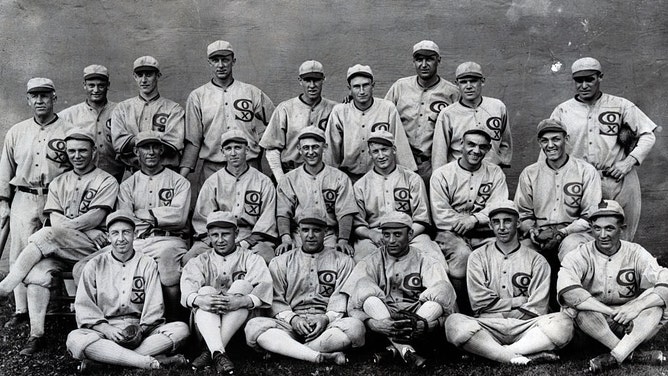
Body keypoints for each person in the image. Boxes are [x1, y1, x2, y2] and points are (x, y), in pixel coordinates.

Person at [0, 128, 118, 355]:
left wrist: (89, 230)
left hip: (92, 250)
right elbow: (54, 218)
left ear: (94, 152)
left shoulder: (106, 180)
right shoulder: (58, 182)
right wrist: (87, 230)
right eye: (72, 151)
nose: (77, 156)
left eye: (83, 151)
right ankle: (37, 335)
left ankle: (6, 286)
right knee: (36, 275)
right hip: (64, 247)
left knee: (46, 234)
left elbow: (95, 217)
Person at [445, 200, 574, 365]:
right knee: (453, 322)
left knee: (564, 322)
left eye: (507, 220)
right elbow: (480, 303)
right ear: (490, 225)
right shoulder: (477, 257)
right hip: (488, 326)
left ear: (518, 223)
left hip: (526, 327)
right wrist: (516, 303)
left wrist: (499, 309)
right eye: (496, 222)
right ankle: (522, 357)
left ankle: (493, 354)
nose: (501, 227)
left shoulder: (537, 260)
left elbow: (536, 307)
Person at [66, 211, 189, 371]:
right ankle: (146, 362)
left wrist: (140, 331)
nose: (121, 238)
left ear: (135, 235)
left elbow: (154, 307)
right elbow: (85, 308)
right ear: (109, 237)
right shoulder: (94, 264)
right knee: (74, 339)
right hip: (106, 329)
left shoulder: (147, 263)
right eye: (115, 233)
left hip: (139, 328)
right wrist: (106, 329)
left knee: (181, 329)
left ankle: (106, 362)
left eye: (126, 232)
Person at [550, 57, 657, 241]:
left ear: (600, 77)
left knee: (623, 235)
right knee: (580, 237)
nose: (583, 85)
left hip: (618, 178)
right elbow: (549, 146)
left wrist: (629, 161)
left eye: (589, 79)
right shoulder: (563, 111)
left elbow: (648, 135)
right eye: (578, 80)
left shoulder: (621, 105)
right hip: (580, 182)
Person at [557, 200, 668, 373]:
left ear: (622, 229)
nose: (602, 235)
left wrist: (637, 306)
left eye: (609, 228)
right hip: (592, 324)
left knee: (656, 304)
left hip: (629, 324)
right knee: (581, 308)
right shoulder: (579, 254)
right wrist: (610, 312)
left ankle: (615, 356)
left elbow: (665, 278)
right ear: (591, 229)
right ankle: (628, 353)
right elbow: (569, 293)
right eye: (597, 228)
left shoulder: (635, 251)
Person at [245, 209, 364, 366]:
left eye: (316, 230)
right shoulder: (280, 261)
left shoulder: (343, 261)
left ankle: (290, 351)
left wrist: (325, 318)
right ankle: (319, 355)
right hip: (289, 326)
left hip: (327, 325)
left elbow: (341, 298)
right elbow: (276, 299)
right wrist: (293, 319)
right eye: (305, 230)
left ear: (325, 231)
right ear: (298, 232)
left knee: (356, 327)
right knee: (253, 327)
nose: (310, 235)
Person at [0, 77, 73, 328]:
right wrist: (3, 202)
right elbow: (5, 170)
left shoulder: (68, 129)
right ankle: (21, 311)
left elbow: (78, 166)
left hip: (58, 197)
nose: (40, 100)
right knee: (19, 251)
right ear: (28, 99)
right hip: (24, 194)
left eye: (45, 95)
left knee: (61, 245)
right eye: (35, 96)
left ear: (55, 97)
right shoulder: (17, 131)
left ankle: (70, 302)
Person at [343, 211, 456, 368]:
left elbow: (449, 308)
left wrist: (430, 325)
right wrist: (372, 324)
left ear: (410, 234)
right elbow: (352, 308)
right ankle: (408, 351)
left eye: (397, 234)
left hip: (418, 319)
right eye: (386, 235)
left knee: (443, 289)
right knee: (365, 290)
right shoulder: (371, 260)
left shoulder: (426, 260)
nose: (391, 240)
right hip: (384, 319)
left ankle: (394, 350)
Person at [181, 211, 273, 374]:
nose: (220, 240)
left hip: (240, 325)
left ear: (236, 234)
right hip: (206, 324)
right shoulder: (200, 260)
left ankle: (209, 351)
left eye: (225, 234)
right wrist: (201, 300)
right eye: (215, 235)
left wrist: (241, 301)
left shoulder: (251, 258)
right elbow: (187, 292)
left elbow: (263, 289)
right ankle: (218, 352)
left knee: (242, 286)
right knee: (205, 291)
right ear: (208, 235)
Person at [430, 129, 509, 310]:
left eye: (482, 147)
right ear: (461, 146)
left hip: (484, 232)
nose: (476, 150)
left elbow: (499, 206)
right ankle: (463, 309)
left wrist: (474, 219)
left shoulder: (495, 172)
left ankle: (494, 309)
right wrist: (469, 221)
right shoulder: (443, 174)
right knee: (463, 255)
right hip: (449, 233)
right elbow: (440, 215)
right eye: (471, 144)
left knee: (500, 256)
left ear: (488, 149)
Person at [116, 130, 190, 321]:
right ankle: (129, 321)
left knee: (168, 271)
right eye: (144, 147)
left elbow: (179, 217)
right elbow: (126, 219)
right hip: (139, 240)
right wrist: (162, 213)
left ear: (161, 150)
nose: (150, 152)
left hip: (170, 239)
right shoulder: (127, 185)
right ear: (136, 152)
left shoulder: (179, 182)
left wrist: (144, 214)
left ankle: (176, 324)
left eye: (154, 147)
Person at [180, 40, 274, 182]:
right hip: (213, 169)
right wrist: (181, 177)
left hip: (249, 166)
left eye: (225, 60)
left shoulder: (251, 92)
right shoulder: (198, 96)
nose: (221, 65)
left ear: (233, 61)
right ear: (209, 63)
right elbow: (193, 141)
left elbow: (276, 124)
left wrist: (259, 144)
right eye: (215, 60)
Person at [184, 129, 277, 265]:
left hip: (251, 236)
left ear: (247, 149)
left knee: (268, 258)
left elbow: (267, 223)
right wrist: (218, 242)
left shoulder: (263, 182)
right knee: (190, 259)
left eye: (238, 148)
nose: (233, 153)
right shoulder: (213, 181)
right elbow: (202, 220)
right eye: (228, 148)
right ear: (222, 152)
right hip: (218, 236)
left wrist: (245, 243)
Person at [514, 119, 602, 262]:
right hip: (541, 233)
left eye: (556, 139)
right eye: (544, 140)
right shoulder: (529, 173)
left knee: (571, 248)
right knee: (519, 255)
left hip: (574, 233)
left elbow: (591, 215)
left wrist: (562, 233)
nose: (550, 145)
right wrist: (532, 231)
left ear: (566, 139)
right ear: (539, 143)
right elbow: (523, 214)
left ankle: (570, 285)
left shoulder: (586, 171)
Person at [352, 131, 442, 264]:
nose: (381, 155)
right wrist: (372, 235)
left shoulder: (412, 179)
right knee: (362, 264)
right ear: (370, 154)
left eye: (384, 149)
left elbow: (422, 219)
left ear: (393, 150)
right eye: (375, 151)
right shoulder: (361, 185)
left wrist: (405, 237)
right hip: (377, 235)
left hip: (411, 234)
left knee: (436, 262)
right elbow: (358, 225)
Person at [324, 64, 416, 182]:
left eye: (365, 85)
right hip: (349, 177)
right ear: (349, 89)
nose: (362, 91)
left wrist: (408, 178)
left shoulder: (387, 108)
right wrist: (328, 180)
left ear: (373, 86)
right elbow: (331, 151)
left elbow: (399, 144)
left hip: (381, 178)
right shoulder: (340, 111)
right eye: (356, 87)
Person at [385, 40, 459, 183]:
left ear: (438, 60)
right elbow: (382, 115)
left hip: (435, 165)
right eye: (419, 60)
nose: (424, 65)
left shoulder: (452, 92)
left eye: (429, 59)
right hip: (402, 163)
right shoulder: (400, 87)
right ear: (414, 61)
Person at [275, 126, 357, 256]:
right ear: (299, 150)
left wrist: (343, 240)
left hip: (328, 234)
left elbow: (345, 212)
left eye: (315, 147)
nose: (311, 152)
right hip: (299, 234)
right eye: (306, 148)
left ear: (324, 147)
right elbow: (283, 213)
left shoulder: (340, 177)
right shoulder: (289, 179)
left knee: (336, 260)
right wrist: (285, 238)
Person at [260, 60, 337, 181]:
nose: (312, 85)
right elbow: (272, 148)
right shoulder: (285, 108)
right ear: (300, 81)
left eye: (316, 80)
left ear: (323, 79)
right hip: (290, 173)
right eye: (307, 80)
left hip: (325, 176)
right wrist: (281, 179)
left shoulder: (335, 109)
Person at [431, 61, 512, 170]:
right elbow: (439, 155)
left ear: (482, 81)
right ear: (457, 84)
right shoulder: (447, 114)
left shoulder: (497, 107)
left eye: (473, 81)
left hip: (491, 174)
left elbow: (505, 142)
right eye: (463, 82)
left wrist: (501, 165)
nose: (468, 86)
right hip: (459, 175)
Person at [111, 56, 185, 171]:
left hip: (165, 172)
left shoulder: (174, 109)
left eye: (149, 75)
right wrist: (158, 138)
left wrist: (135, 140)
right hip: (132, 172)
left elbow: (174, 144)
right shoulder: (122, 108)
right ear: (135, 77)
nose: (144, 80)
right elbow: (119, 144)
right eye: (140, 75)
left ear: (158, 76)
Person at [59, 64, 125, 182]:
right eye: (91, 85)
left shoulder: (121, 111)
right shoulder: (68, 115)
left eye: (101, 85)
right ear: (84, 85)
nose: (96, 90)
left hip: (115, 177)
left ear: (108, 85)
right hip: (80, 180)